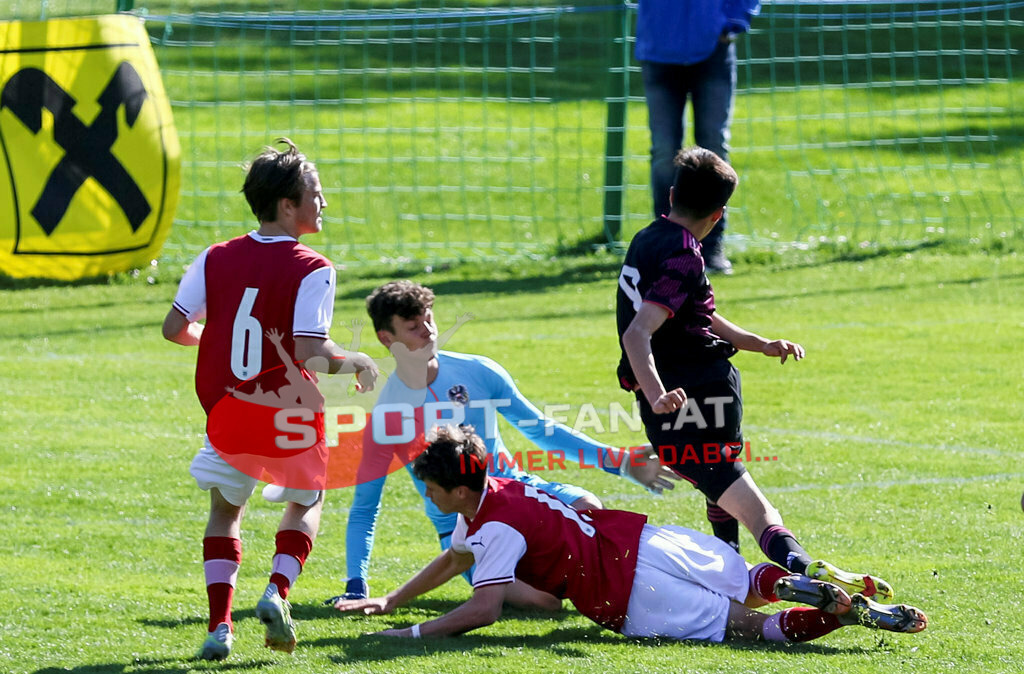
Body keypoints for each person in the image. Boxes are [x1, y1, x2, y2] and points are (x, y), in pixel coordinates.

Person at [333, 426, 927, 644]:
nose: (427, 496)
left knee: (749, 627)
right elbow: (452, 558)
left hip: (623, 590)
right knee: (748, 581)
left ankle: (837, 618)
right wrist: (392, 598)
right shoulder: (504, 488)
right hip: (644, 539)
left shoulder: (493, 529)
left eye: (430, 488)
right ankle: (796, 584)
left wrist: (411, 631)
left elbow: (484, 609)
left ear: (459, 490)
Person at [616, 146, 895, 601]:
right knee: (744, 499)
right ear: (718, 215)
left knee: (723, 486)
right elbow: (638, 333)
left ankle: (742, 573)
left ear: (670, 196)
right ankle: (801, 566)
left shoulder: (647, 238)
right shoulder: (685, 255)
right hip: (696, 393)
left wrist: (759, 343)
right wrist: (658, 392)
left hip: (681, 398)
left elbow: (693, 313)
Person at [327, 280, 677, 607]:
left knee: (588, 508)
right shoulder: (387, 416)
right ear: (387, 338)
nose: (429, 331)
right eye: (414, 327)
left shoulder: (478, 371)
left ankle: (654, 593)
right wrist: (356, 583)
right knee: (543, 602)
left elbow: (541, 430)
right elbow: (365, 507)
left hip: (522, 495)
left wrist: (621, 462)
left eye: (429, 319)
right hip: (463, 530)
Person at [162, 138, 378, 660]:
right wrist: (358, 360)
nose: (323, 203)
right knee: (308, 500)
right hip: (288, 413)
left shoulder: (215, 257)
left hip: (229, 412)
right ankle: (277, 591)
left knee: (225, 512)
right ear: (287, 204)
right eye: (316, 194)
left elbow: (174, 328)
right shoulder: (313, 266)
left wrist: (211, 338)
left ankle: (220, 627)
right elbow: (309, 350)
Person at [636, 0, 761, 274]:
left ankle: (710, 248)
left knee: (713, 148)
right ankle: (665, 247)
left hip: (713, 48)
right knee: (664, 151)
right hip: (658, 47)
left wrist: (733, 22)